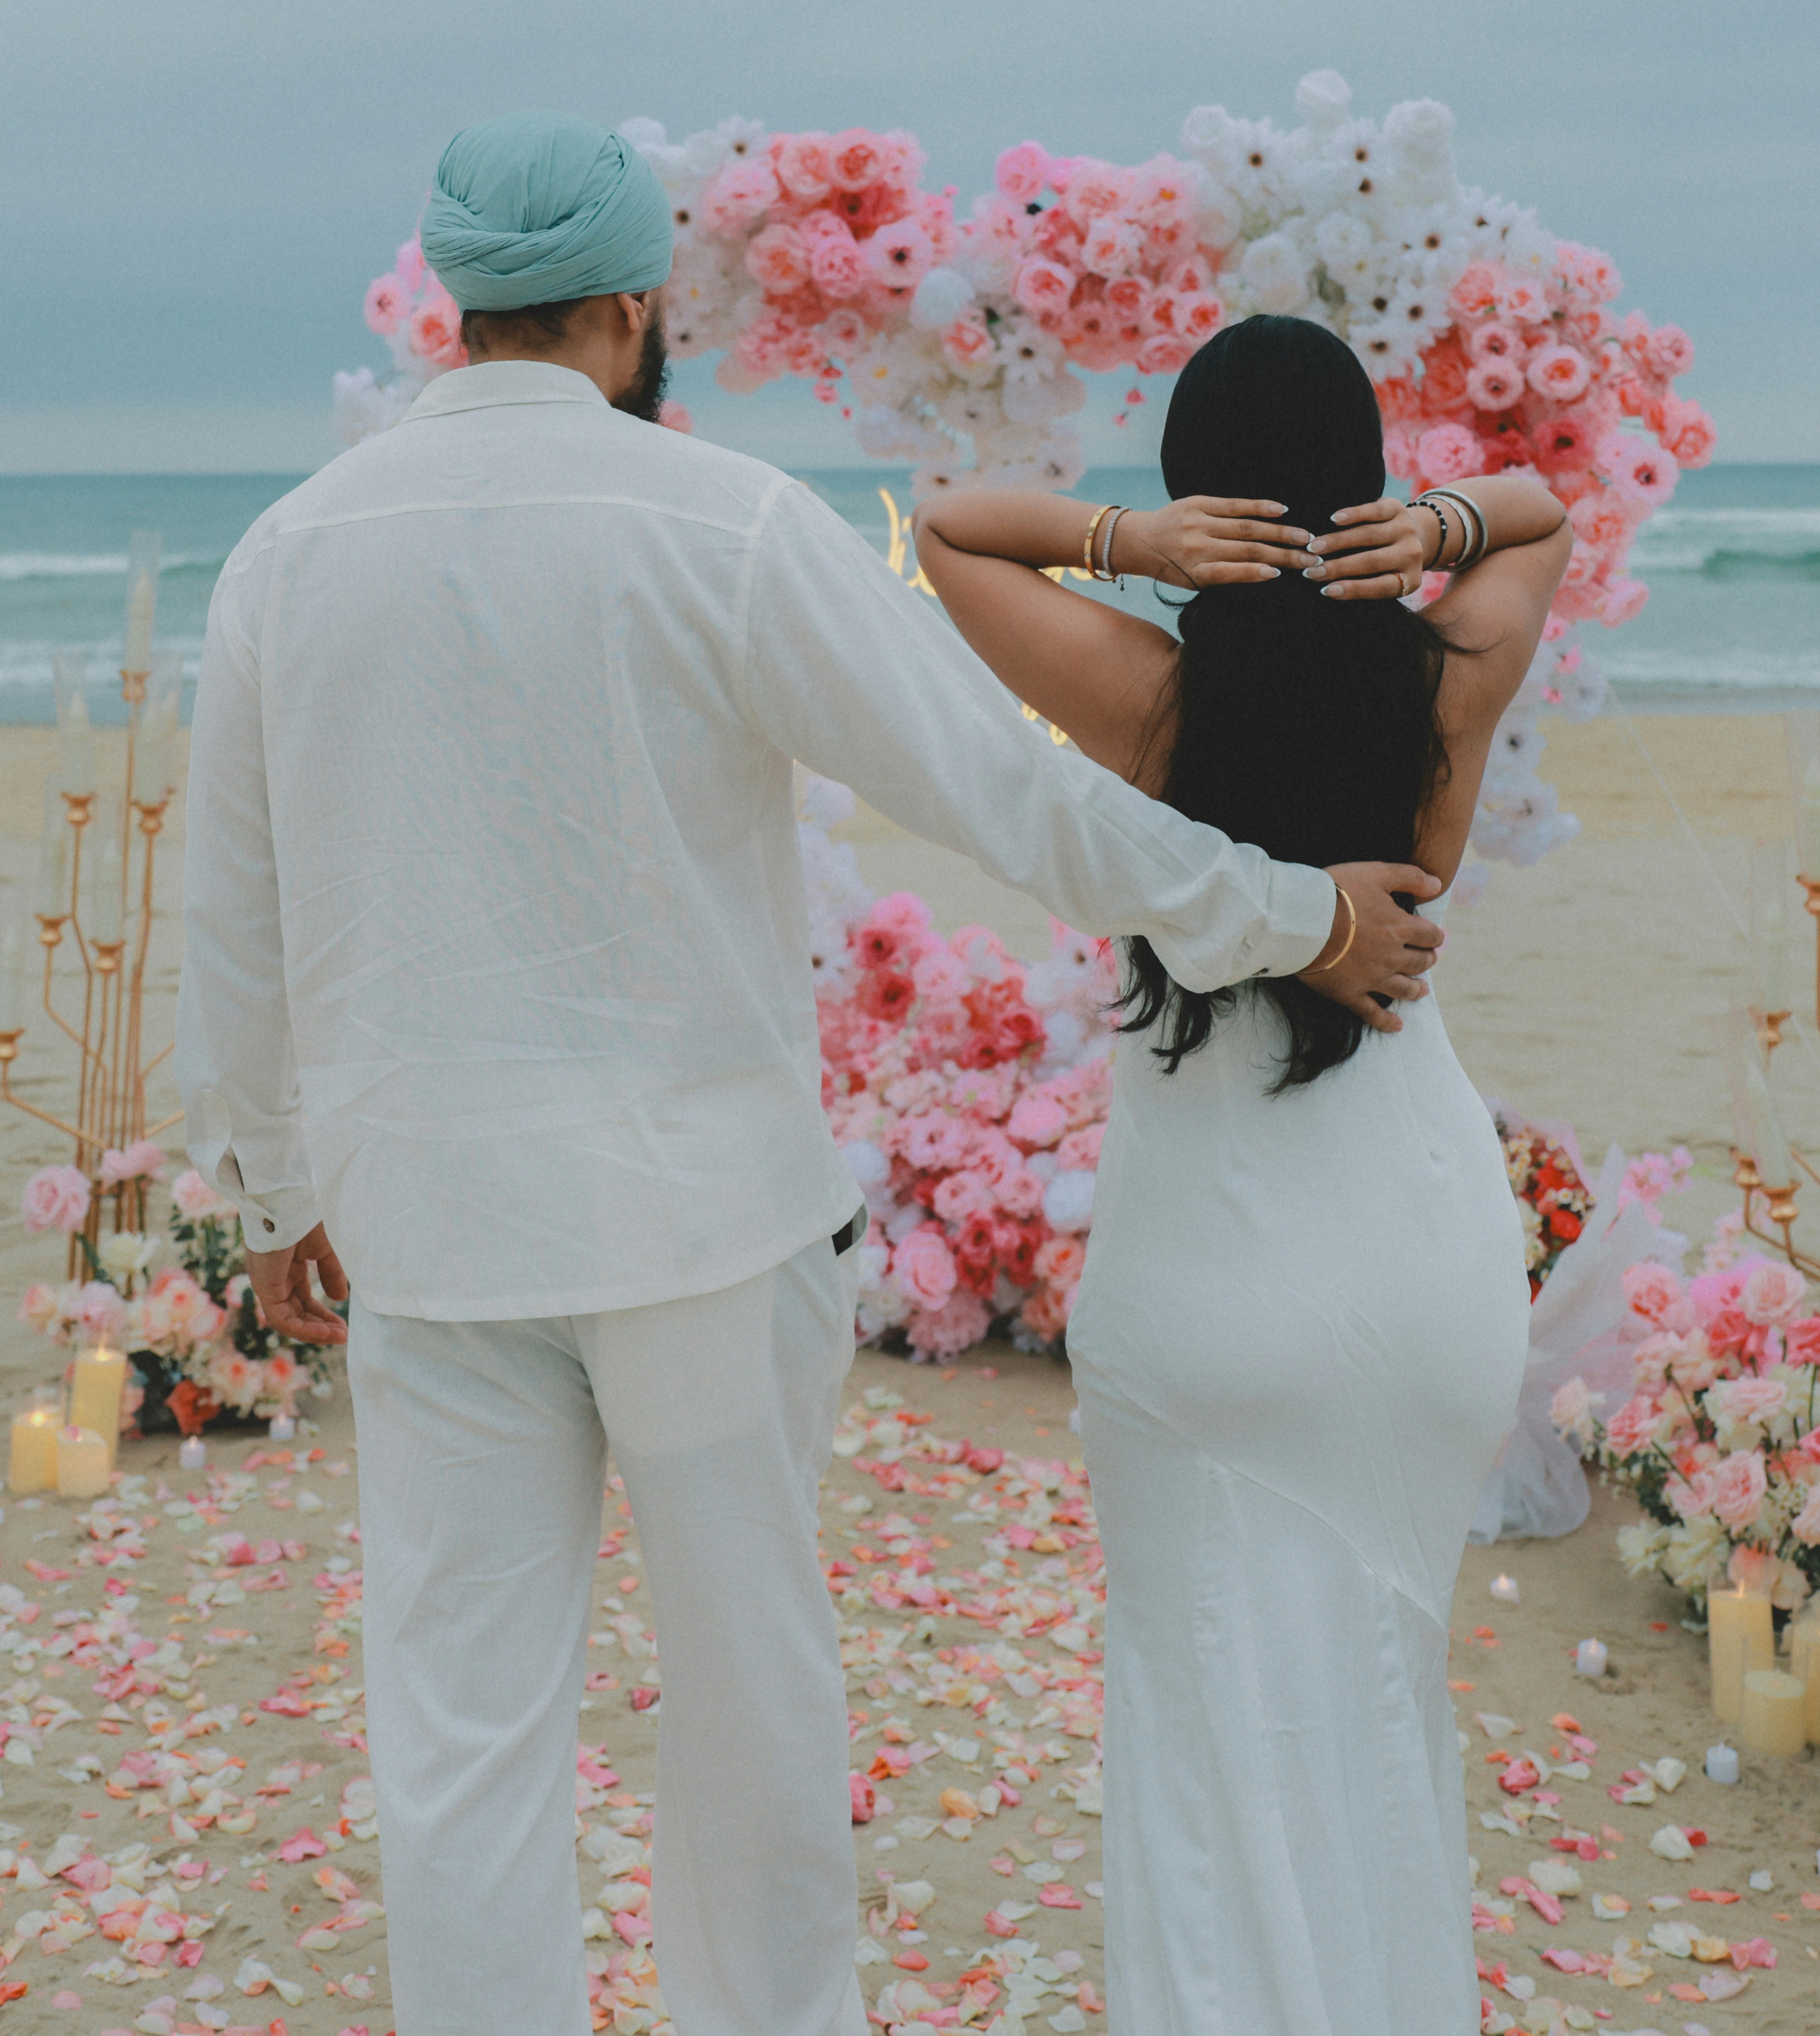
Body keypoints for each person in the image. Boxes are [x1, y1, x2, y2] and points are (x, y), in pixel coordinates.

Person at [178, 118, 1452, 2036]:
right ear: (630, 312)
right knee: (752, 1710)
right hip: (700, 1222)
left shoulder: (287, 556)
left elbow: (236, 909)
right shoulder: (729, 528)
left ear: (462, 305)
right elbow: (1006, 792)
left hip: (430, 1225)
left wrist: (270, 1185)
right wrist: (1284, 913)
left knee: (458, 1739)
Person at [912, 311, 1573, 2036]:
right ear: (1356, 489)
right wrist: (1434, 530)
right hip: (1422, 1258)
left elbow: (950, 531)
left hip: (1214, 1262)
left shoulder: (1149, 696)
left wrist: (1133, 544)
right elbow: (1545, 517)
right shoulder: (1454, 674)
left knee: (1212, 1738)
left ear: (1200, 497)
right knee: (1379, 1700)